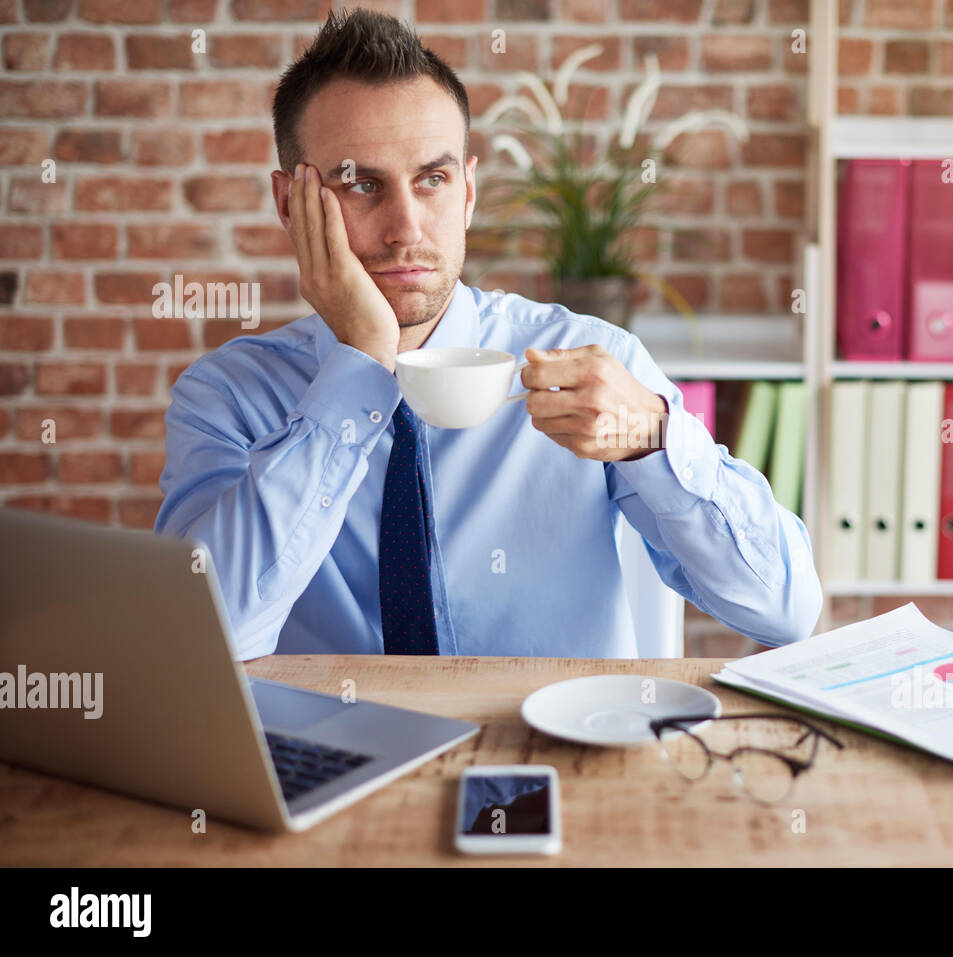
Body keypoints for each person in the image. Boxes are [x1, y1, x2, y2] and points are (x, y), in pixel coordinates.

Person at [155, 9, 822, 660]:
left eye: (433, 180)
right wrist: (360, 358)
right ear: (288, 205)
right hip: (340, 765)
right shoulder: (226, 398)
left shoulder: (588, 362)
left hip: (557, 754)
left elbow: (785, 608)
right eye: (361, 185)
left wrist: (654, 435)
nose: (407, 227)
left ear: (468, 193)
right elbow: (201, 641)